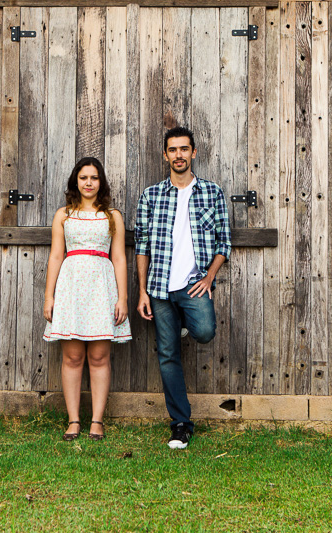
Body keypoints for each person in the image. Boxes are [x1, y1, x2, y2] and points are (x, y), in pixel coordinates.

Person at [134, 126, 231, 449]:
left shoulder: (212, 193)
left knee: (204, 331)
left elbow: (224, 242)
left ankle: (185, 323)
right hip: (160, 288)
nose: (179, 155)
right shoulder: (151, 195)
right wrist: (142, 291)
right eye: (173, 150)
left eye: (184, 149)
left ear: (194, 153)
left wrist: (209, 277)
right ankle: (180, 424)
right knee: (168, 355)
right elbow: (142, 246)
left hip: (192, 285)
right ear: (166, 155)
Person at [43, 157, 131, 441]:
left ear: (101, 182)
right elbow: (56, 256)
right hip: (71, 288)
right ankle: (73, 420)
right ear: (76, 181)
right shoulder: (64, 215)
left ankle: (97, 420)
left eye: (94, 178)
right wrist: (49, 296)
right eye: (83, 178)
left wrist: (122, 298)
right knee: (72, 356)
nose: (89, 183)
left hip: (101, 288)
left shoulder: (112, 216)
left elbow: (119, 258)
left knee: (99, 356)